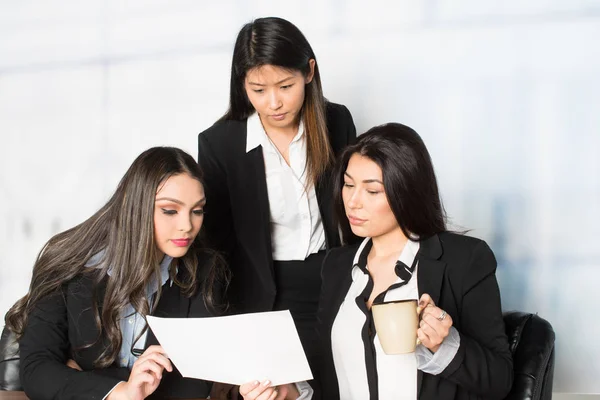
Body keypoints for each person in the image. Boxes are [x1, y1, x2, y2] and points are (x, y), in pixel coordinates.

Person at [239, 123, 514, 400]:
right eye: (348, 185)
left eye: (372, 191)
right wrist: (292, 393)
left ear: (406, 191)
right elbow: (329, 378)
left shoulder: (463, 259)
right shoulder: (337, 266)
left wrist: (445, 344)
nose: (353, 202)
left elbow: (500, 380)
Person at [197, 16, 356, 373]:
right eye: (258, 89)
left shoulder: (336, 122)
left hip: (337, 283)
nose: (273, 103)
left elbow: (356, 212)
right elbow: (216, 245)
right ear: (243, 85)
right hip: (263, 297)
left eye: (285, 86)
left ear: (309, 72)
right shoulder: (219, 144)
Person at [4, 147, 229, 400]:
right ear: (136, 207)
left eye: (197, 210)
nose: (187, 225)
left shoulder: (205, 270)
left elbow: (194, 385)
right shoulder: (67, 262)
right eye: (169, 211)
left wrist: (85, 380)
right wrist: (121, 391)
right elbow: (37, 372)